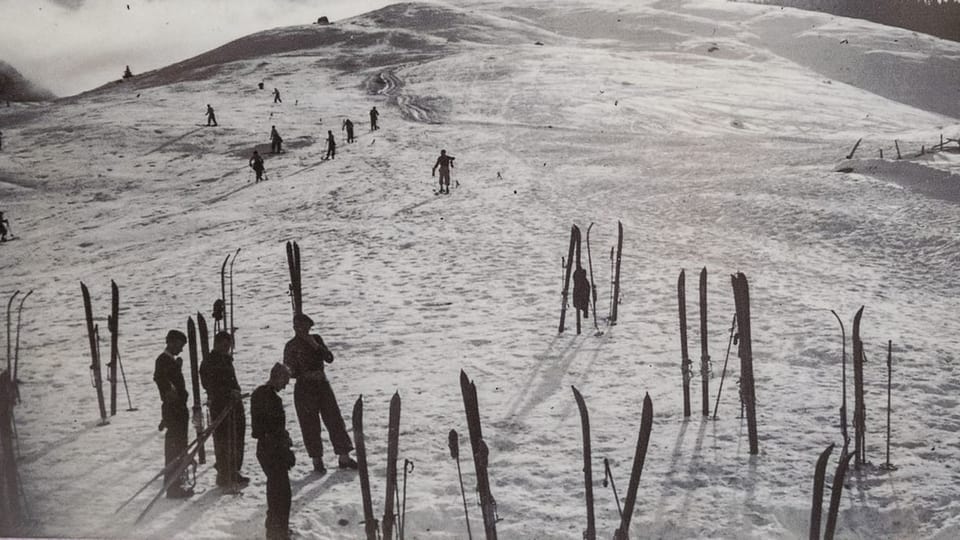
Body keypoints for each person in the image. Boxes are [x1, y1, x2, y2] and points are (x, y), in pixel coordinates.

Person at [283, 313, 357, 474]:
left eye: (307, 328)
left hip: (322, 384)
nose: (305, 331)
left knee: (334, 419)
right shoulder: (291, 346)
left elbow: (329, 358)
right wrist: (299, 370)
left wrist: (316, 346)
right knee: (309, 425)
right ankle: (317, 460)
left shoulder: (316, 339)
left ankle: (344, 456)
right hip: (304, 388)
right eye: (302, 328)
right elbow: (289, 370)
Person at [200, 331, 249, 488]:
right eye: (224, 345)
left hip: (234, 404)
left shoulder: (225, 359)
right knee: (224, 440)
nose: (227, 348)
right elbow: (210, 385)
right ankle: (224, 473)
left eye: (229, 346)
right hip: (221, 405)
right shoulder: (209, 362)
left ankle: (234, 470)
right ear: (217, 344)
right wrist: (228, 393)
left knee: (236, 437)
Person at [252, 363, 295, 540]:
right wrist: (286, 449)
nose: (285, 385)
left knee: (274, 489)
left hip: (264, 448)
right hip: (274, 449)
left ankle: (273, 529)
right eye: (285, 380)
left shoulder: (257, 393)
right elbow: (275, 429)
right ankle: (280, 533)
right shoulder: (273, 400)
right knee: (282, 494)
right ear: (277, 377)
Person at [153, 330, 194, 499]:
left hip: (177, 410)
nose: (181, 349)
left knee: (179, 447)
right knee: (174, 449)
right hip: (174, 410)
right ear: (171, 342)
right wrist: (171, 392)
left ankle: (176, 482)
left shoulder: (169, 361)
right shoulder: (163, 360)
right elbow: (161, 379)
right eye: (180, 345)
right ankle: (173, 487)